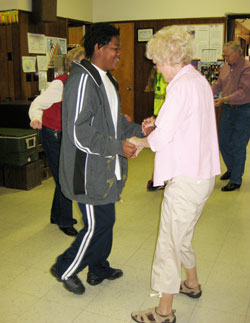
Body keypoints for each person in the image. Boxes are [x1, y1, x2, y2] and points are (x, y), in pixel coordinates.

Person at [129, 25, 220, 323]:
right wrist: (159, 121)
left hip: (186, 177)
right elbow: (186, 122)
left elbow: (159, 139)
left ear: (169, 56)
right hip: (203, 175)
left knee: (168, 243)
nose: (155, 67)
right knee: (183, 235)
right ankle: (191, 283)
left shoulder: (179, 86)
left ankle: (163, 312)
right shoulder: (196, 80)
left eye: (156, 61)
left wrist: (141, 140)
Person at [50, 23, 144, 295]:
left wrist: (140, 130)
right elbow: (78, 133)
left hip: (105, 168)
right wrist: (118, 146)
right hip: (87, 172)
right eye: (115, 49)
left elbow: (114, 124)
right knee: (97, 224)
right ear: (98, 47)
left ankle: (98, 267)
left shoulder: (107, 80)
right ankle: (65, 268)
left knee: (106, 221)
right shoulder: (82, 80)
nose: (118, 55)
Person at [29, 47, 85, 236]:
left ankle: (56, 214)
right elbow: (37, 103)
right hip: (53, 134)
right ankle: (64, 221)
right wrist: (36, 117)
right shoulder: (61, 84)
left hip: (67, 134)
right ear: (73, 64)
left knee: (63, 177)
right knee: (65, 179)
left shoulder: (81, 83)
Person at [212, 41, 250, 191]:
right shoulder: (226, 67)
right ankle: (232, 169)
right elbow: (218, 85)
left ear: (237, 53)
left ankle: (236, 179)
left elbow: (244, 92)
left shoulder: (247, 68)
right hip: (228, 109)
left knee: (238, 145)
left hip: (244, 110)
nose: (225, 58)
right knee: (223, 141)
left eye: (227, 55)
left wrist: (224, 99)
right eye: (224, 55)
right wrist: (206, 92)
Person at [146, 69, 168, 191]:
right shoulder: (165, 74)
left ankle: (156, 180)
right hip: (162, 115)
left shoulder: (159, 74)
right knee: (162, 148)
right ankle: (156, 180)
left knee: (161, 148)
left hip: (159, 113)